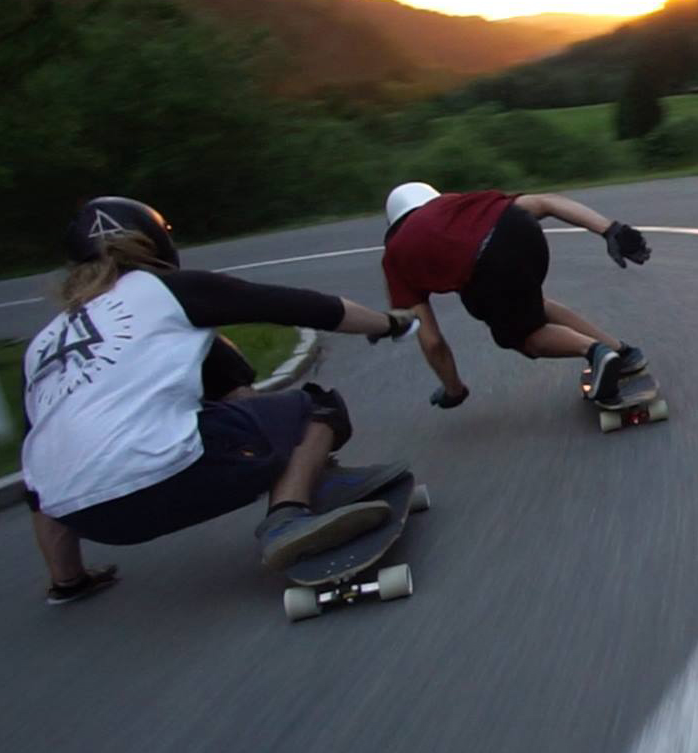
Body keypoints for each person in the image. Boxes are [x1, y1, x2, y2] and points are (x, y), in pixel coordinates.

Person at [23, 197, 420, 605]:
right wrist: (389, 322)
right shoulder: (168, 290)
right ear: (157, 242)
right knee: (317, 407)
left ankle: (311, 475)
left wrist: (68, 580)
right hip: (170, 476)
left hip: (93, 519)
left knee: (221, 372)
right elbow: (305, 307)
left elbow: (37, 479)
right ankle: (286, 519)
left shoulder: (43, 345)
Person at [378, 183, 653, 408]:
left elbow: (432, 341)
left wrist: (454, 389)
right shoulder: (463, 202)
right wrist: (611, 230)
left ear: (394, 224)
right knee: (528, 306)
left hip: (487, 264)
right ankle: (622, 353)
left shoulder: (396, 255)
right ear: (432, 199)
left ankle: (597, 353)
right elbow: (548, 203)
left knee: (521, 336)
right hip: (523, 233)